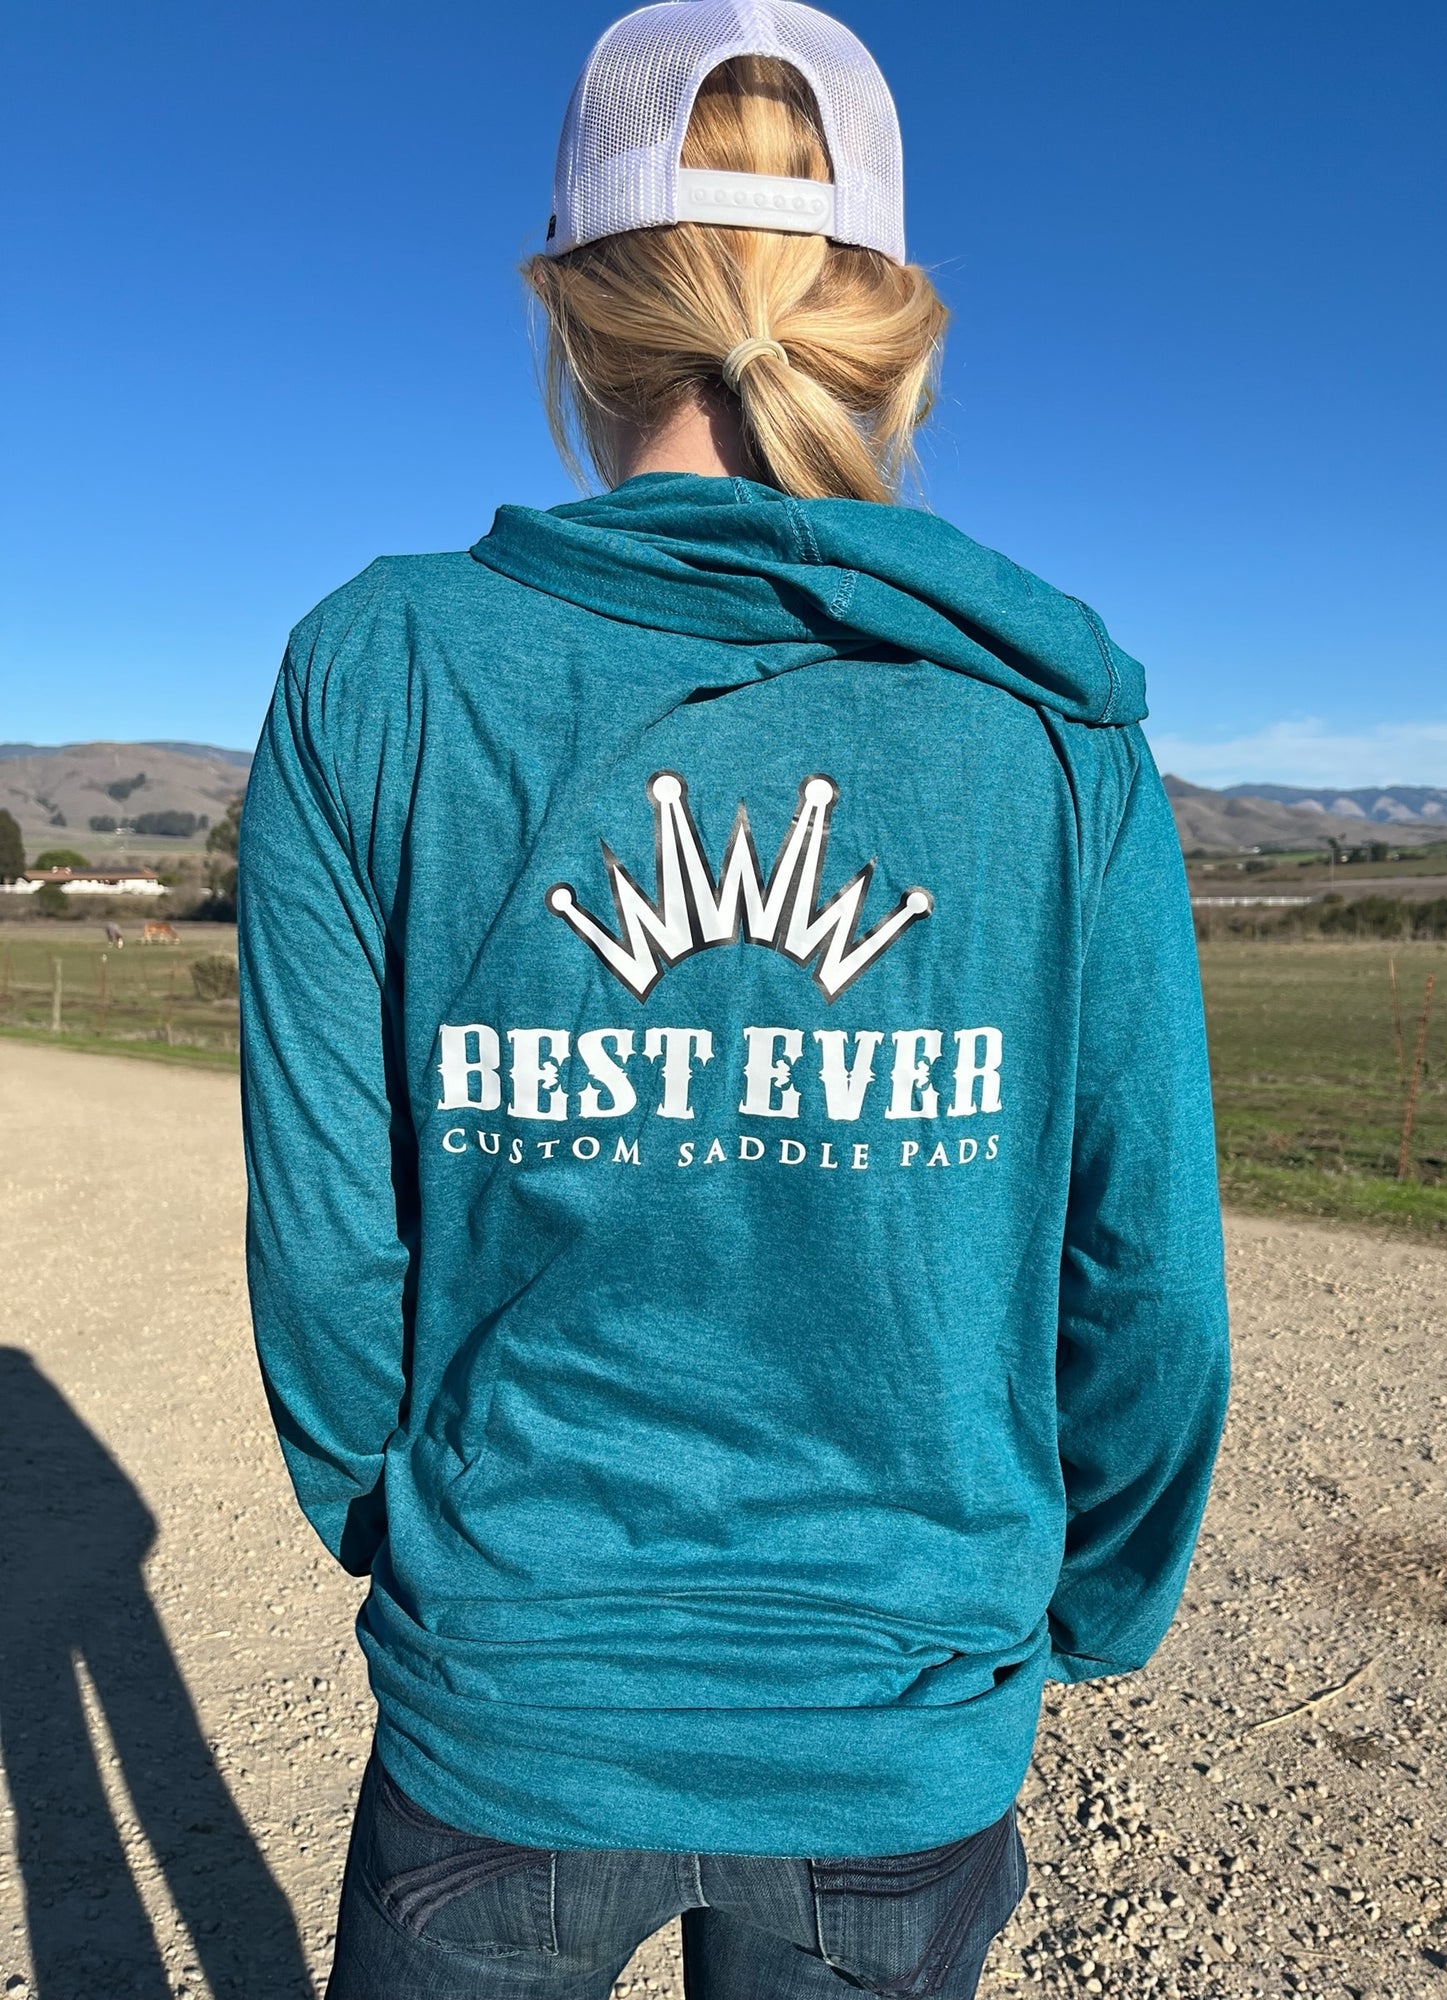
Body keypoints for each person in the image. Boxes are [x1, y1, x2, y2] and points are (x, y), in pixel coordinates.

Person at [238, 5, 1231, 1995]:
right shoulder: (1051, 732)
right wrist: (1074, 1614)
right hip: (901, 1722)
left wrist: (440, 1558)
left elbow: (332, 1259)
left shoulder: (380, 673)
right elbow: (1146, 1280)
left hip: (506, 1699)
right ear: (894, 331)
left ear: (565, 308)